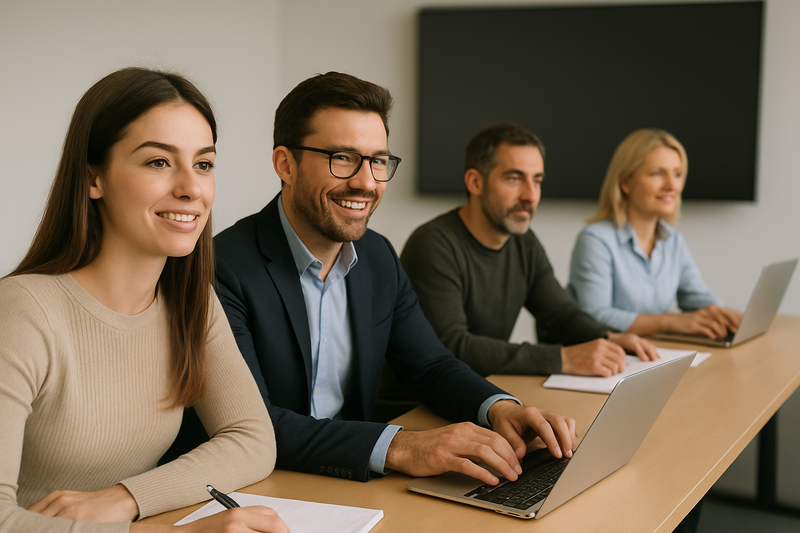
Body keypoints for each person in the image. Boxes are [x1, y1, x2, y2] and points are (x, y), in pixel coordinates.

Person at [212, 72, 576, 488]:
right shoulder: (224, 266)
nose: (366, 183)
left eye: (378, 161)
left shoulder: (377, 255)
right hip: (265, 485)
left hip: (355, 482)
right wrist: (401, 446)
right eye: (342, 158)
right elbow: (255, 423)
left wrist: (499, 409)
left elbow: (430, 365)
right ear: (285, 164)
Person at [0, 68, 288, 533]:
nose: (191, 189)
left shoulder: (191, 302)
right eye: (158, 162)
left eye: (204, 164)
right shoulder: (21, 311)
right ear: (93, 178)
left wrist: (125, 498)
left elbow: (253, 439)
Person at [567, 128, 741, 339]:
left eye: (677, 174)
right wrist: (671, 321)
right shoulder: (595, 240)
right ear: (625, 183)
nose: (671, 186)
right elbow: (595, 316)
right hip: (608, 353)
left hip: (654, 351)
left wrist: (724, 315)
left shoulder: (673, 240)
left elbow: (695, 296)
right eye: (657, 173)